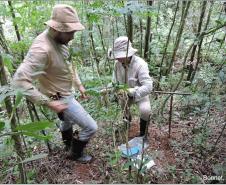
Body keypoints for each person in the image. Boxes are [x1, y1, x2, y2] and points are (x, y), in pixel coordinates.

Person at [12, 4, 97, 163]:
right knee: (91, 127)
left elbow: (68, 65)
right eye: (71, 32)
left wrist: (79, 85)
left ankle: (68, 146)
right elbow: (19, 81)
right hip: (59, 98)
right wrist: (50, 103)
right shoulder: (42, 49)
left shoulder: (61, 40)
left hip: (65, 92)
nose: (73, 36)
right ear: (58, 29)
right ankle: (75, 154)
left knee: (66, 121)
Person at [108, 36, 153, 137]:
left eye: (120, 55)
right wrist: (110, 88)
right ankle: (126, 124)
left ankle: (143, 133)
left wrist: (132, 91)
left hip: (140, 94)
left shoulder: (141, 64)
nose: (117, 58)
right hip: (123, 95)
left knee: (145, 110)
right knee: (124, 109)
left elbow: (148, 86)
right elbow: (114, 82)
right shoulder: (117, 65)